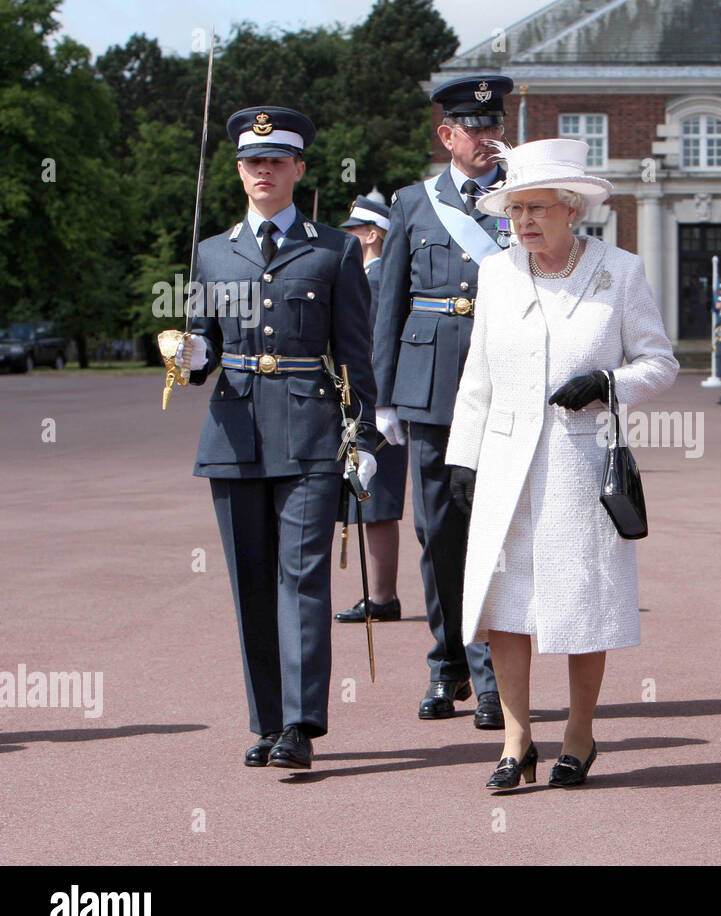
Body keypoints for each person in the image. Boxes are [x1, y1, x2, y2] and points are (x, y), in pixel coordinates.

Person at [443, 138, 679, 789]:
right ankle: (517, 738)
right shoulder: (497, 274)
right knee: (506, 603)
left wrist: (607, 382)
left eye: (536, 209)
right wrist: (463, 457)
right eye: (514, 210)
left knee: (582, 601)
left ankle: (580, 730)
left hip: (580, 467)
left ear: (571, 208)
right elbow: (477, 377)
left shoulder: (619, 272)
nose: (522, 223)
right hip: (504, 463)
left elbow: (660, 362)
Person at [169, 106, 377, 770]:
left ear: (298, 170)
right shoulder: (210, 252)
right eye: (254, 161)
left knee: (302, 577)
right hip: (234, 435)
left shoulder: (334, 248)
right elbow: (199, 360)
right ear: (238, 172)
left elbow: (356, 354)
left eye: (277, 160)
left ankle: (300, 722)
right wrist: (183, 352)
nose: (265, 170)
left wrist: (364, 436)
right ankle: (265, 720)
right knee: (250, 581)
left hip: (312, 432)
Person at [372, 75, 515, 729]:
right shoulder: (411, 202)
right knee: (436, 534)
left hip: (500, 382)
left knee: (491, 530)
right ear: (447, 135)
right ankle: (445, 665)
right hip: (428, 385)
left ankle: (488, 678)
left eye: (495, 125)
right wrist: (382, 396)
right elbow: (389, 304)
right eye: (475, 128)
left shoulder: (523, 198)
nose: (488, 138)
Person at [335, 193, 408, 623]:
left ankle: (382, 597)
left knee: (374, 497)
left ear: (372, 234)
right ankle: (379, 594)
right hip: (361, 399)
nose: (346, 238)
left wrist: (375, 402)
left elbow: (377, 347)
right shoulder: (365, 277)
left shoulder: (375, 280)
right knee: (366, 497)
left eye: (352, 232)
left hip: (373, 402)